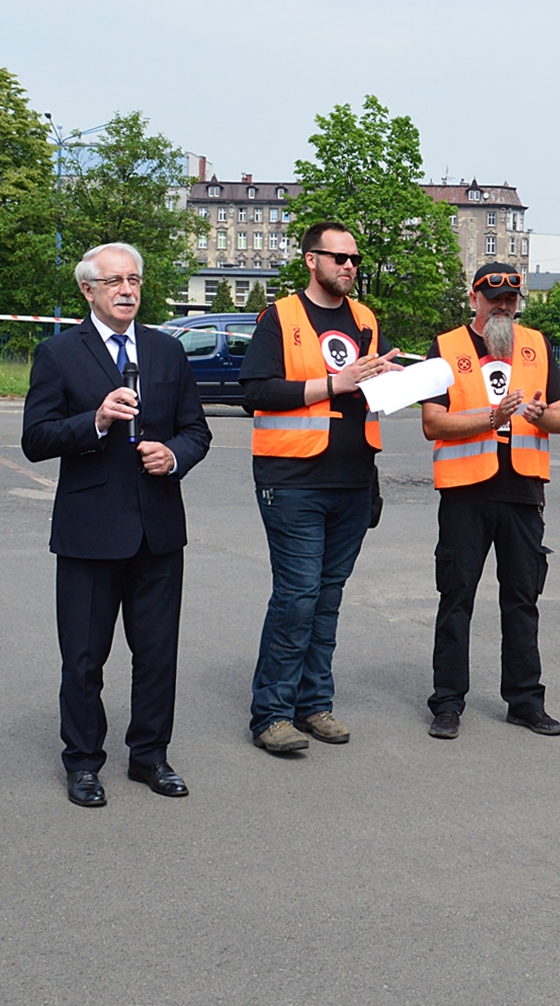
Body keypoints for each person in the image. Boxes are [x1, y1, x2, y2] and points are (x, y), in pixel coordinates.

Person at [22, 243, 211, 808]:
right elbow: (36, 439)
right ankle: (83, 762)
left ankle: (150, 755)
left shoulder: (166, 350)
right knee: (84, 658)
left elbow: (196, 430)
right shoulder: (58, 353)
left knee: (157, 654)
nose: (127, 290)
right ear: (88, 290)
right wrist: (97, 420)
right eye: (114, 282)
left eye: (134, 280)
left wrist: (173, 456)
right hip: (89, 531)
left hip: (159, 529)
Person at [240, 223, 401, 753]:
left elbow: (372, 389)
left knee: (326, 599)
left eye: (355, 258)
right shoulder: (280, 317)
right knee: (297, 597)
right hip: (293, 482)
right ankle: (272, 715)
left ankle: (314, 704)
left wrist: (399, 383)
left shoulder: (365, 320)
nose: (350, 266)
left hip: (353, 481)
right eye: (339, 257)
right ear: (312, 260)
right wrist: (336, 383)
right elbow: (256, 391)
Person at [420, 263, 560, 740]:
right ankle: (448, 703)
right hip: (466, 492)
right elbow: (432, 422)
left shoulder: (536, 344)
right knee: (456, 599)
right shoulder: (446, 347)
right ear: (474, 299)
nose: (503, 307)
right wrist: (491, 418)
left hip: (522, 492)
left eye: (510, 300)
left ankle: (525, 702)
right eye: (493, 299)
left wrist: (543, 415)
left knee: (522, 601)